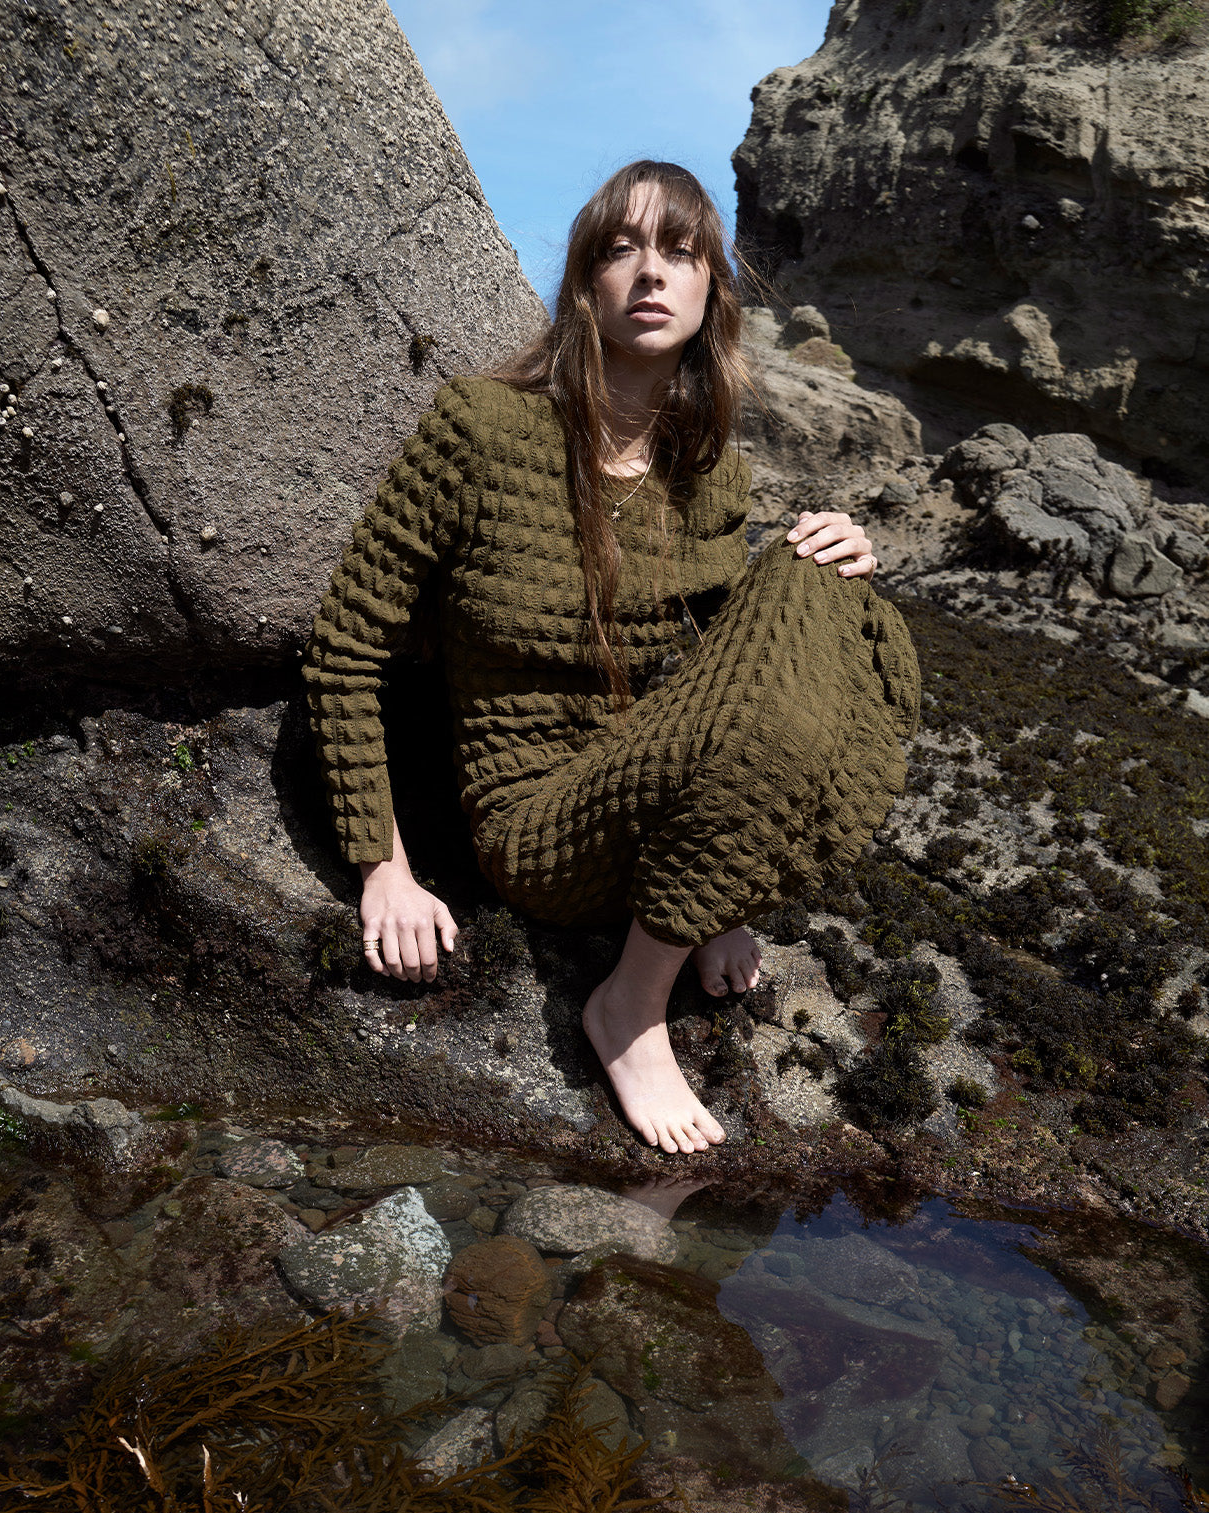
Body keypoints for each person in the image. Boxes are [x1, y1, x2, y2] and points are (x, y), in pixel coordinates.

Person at [304, 160, 920, 1156]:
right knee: (785, 639)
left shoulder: (712, 473)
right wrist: (384, 864)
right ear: (586, 281)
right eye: (621, 249)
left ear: (711, 288)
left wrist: (721, 891)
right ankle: (628, 1009)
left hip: (656, 814)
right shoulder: (482, 430)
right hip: (541, 832)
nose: (650, 273)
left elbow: (736, 684)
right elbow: (347, 643)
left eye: (679, 252)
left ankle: (674, 927)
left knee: (814, 568)